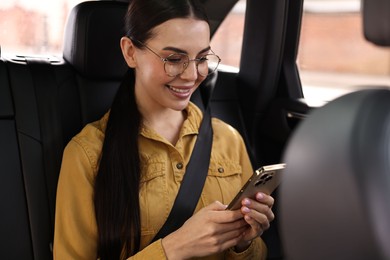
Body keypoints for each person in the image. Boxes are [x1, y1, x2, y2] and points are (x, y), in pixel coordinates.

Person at [53, 0, 275, 259]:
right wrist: (174, 248)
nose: (192, 75)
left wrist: (244, 243)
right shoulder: (86, 154)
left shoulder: (229, 139)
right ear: (130, 52)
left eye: (202, 58)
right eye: (174, 59)